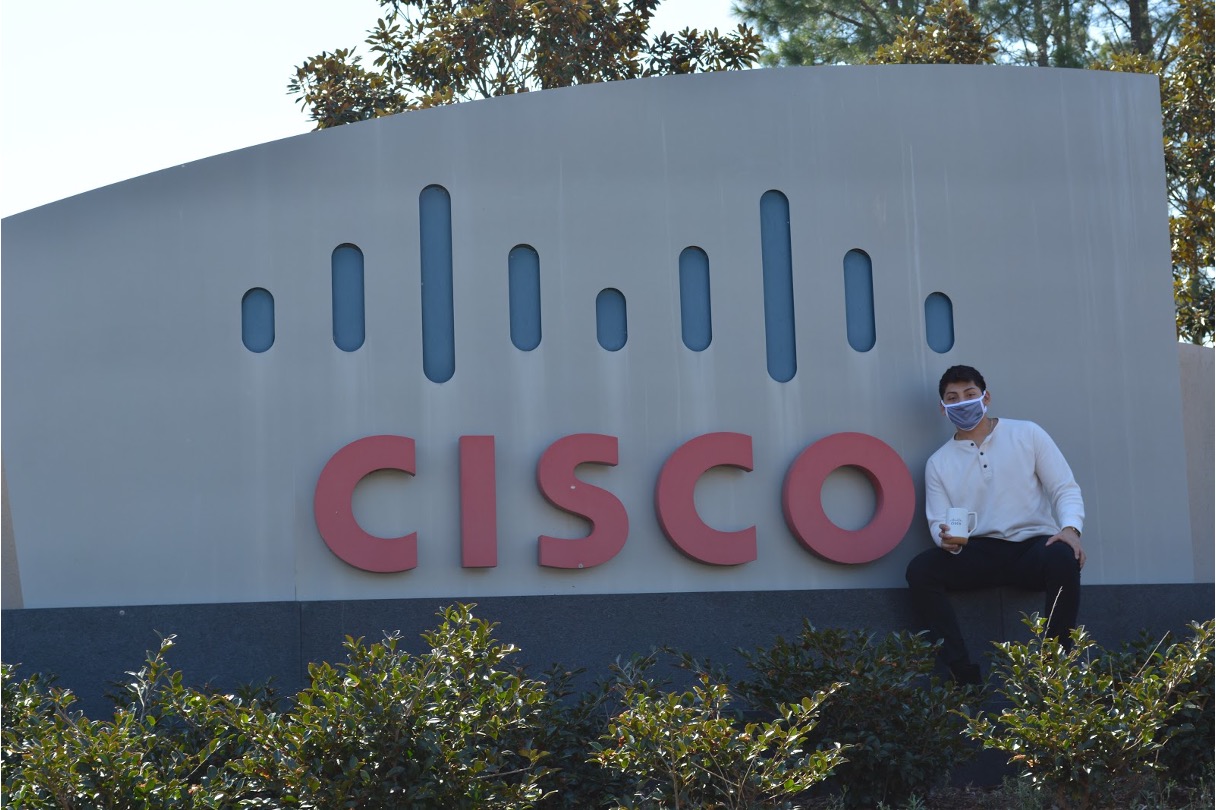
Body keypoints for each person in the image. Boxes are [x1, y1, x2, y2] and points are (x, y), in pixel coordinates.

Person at [905, 365, 1085, 685]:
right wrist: (944, 539)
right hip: (978, 551)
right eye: (953, 398)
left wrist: (1070, 529)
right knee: (921, 570)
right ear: (943, 409)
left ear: (986, 397)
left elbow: (1064, 488)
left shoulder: (1027, 433)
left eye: (970, 395)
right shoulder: (939, 462)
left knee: (1063, 555)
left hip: (1033, 546)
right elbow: (937, 520)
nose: (962, 403)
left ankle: (1055, 667)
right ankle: (961, 672)